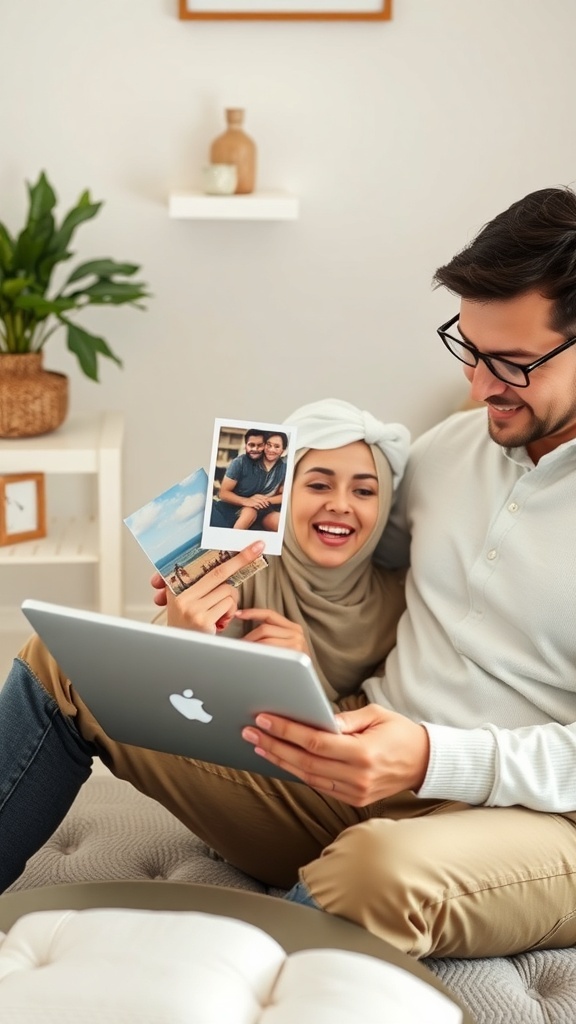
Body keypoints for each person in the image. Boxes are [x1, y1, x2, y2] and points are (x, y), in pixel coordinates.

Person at [3, 185, 576, 962]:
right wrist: (214, 587)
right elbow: (335, 558)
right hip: (354, 759)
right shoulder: (448, 451)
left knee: (374, 870)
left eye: (510, 364)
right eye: (468, 350)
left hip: (531, 819)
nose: (478, 387)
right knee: (71, 659)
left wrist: (433, 757)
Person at [0, 399, 409, 889]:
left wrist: (305, 681)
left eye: (364, 490)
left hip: (348, 817)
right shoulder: (241, 567)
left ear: (384, 505)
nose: (340, 503)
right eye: (318, 484)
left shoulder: (405, 603)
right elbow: (170, 700)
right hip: (248, 791)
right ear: (284, 494)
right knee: (59, 654)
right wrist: (183, 635)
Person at [210, 428, 287, 531]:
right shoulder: (243, 462)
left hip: (264, 508)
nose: (271, 449)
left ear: (283, 450)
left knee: (280, 521)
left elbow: (285, 494)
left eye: (277, 446)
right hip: (241, 508)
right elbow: (223, 493)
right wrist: (248, 501)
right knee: (250, 512)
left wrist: (264, 500)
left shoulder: (283, 468)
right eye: (269, 445)